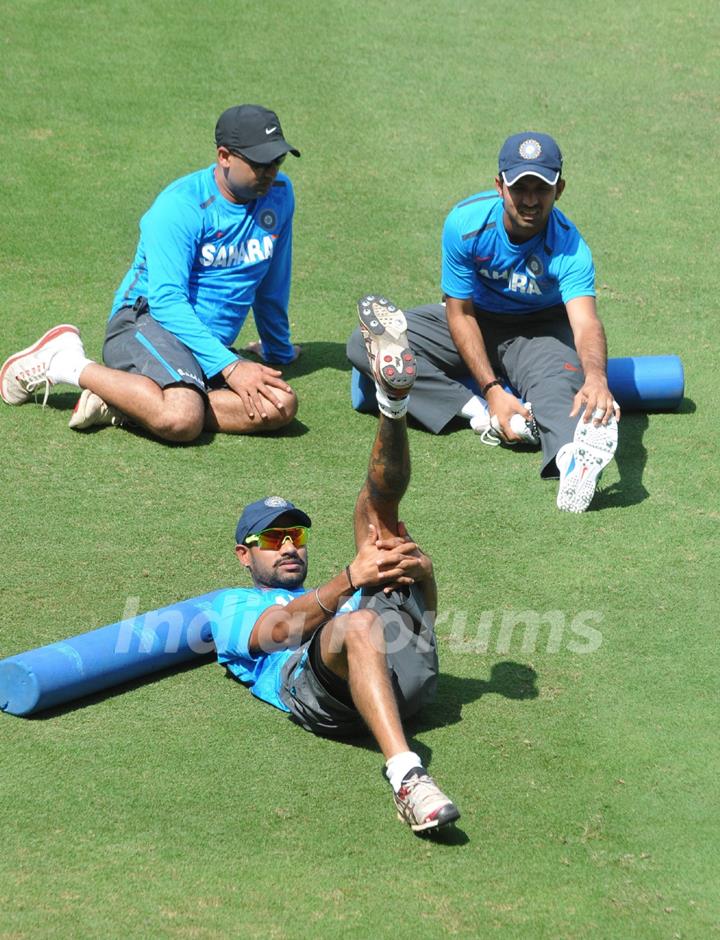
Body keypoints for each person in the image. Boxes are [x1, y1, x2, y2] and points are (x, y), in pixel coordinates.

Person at [210, 295, 459, 834]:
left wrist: (424, 575)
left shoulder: (348, 589)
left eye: (295, 535)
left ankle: (392, 403)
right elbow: (278, 632)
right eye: (273, 538)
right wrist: (350, 580)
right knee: (360, 617)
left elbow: (427, 622)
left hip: (404, 679)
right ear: (243, 554)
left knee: (381, 526)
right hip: (315, 693)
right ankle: (407, 777)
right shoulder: (233, 605)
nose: (289, 546)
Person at [347, 132, 620, 512]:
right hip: (472, 319)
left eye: (541, 188)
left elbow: (586, 323)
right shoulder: (466, 223)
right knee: (365, 343)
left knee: (564, 390)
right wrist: (491, 394)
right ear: (499, 186)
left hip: (536, 331)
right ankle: (477, 413)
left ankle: (572, 460)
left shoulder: (571, 247)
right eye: (519, 187)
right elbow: (458, 312)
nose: (529, 200)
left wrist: (596, 377)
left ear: (559, 189)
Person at [0, 105, 301, 443]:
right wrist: (231, 367)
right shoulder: (180, 208)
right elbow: (167, 301)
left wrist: (278, 349)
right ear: (224, 156)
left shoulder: (279, 194)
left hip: (203, 344)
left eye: (277, 162)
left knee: (280, 404)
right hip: (145, 323)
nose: (270, 172)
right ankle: (64, 362)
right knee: (181, 418)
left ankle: (126, 404)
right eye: (259, 164)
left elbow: (273, 278)